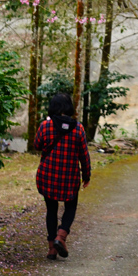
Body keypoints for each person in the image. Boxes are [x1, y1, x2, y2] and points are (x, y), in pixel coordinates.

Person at [34, 92, 91, 260]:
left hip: (48, 176)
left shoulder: (45, 125)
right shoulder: (78, 128)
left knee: (51, 210)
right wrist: (86, 175)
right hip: (69, 178)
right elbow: (84, 155)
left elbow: (37, 145)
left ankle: (52, 248)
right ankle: (61, 237)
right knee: (70, 207)